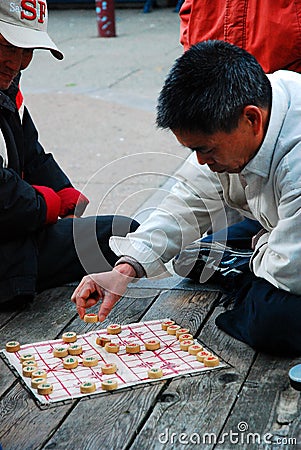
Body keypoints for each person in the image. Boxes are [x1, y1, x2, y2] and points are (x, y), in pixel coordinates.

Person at [72, 40, 301, 356]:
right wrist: (125, 269)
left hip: (293, 254)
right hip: (281, 229)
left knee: (272, 320)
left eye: (206, 149)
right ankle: (249, 265)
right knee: (190, 256)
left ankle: (247, 269)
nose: (202, 161)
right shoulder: (254, 103)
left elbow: (293, 269)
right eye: (194, 150)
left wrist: (265, 248)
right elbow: (189, 197)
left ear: (252, 119)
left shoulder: (297, 159)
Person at [0, 1, 138, 308]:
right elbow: (5, 200)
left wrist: (63, 189)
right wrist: (48, 204)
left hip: (20, 235)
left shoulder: (8, 87)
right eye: (6, 46)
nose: (16, 62)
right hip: (10, 244)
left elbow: (30, 149)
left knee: (125, 235)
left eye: (26, 51)